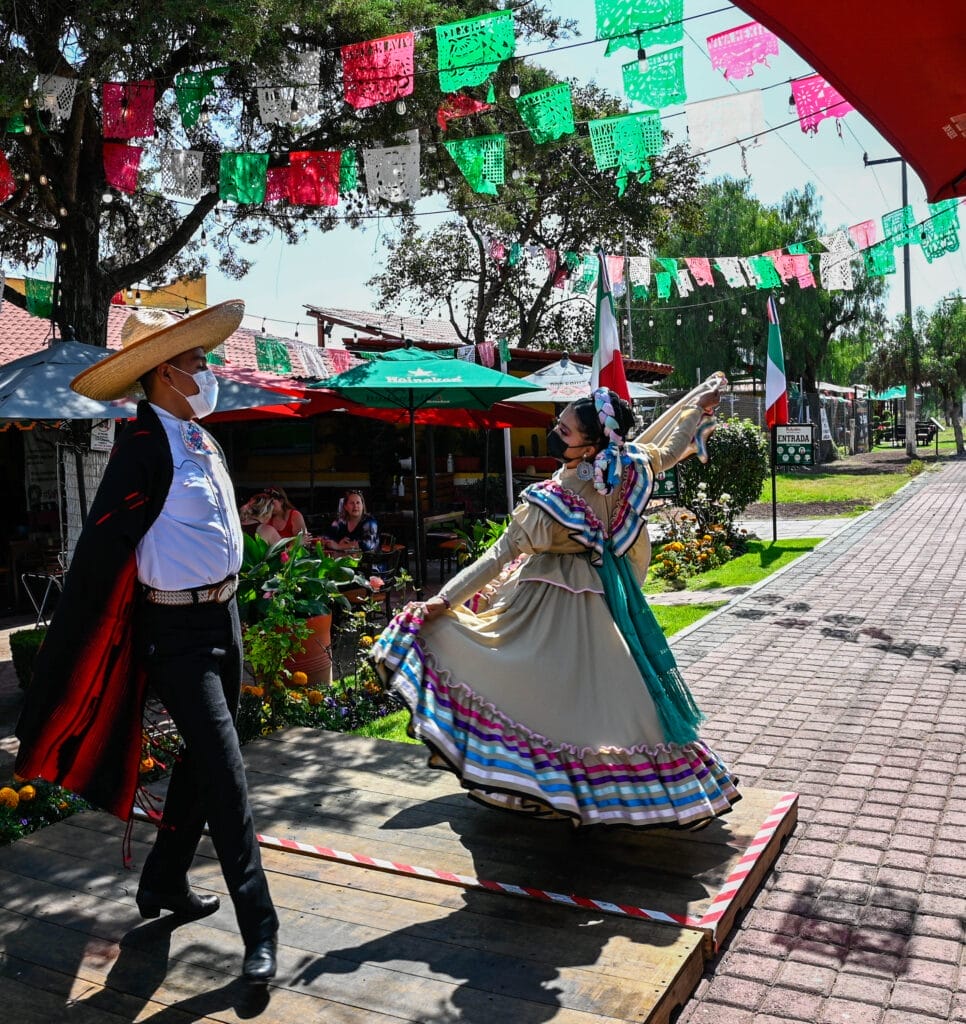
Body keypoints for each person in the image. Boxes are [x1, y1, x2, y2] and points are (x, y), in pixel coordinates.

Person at [14, 302, 279, 983]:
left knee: (201, 763)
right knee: (226, 775)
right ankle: (261, 927)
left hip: (224, 624)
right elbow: (102, 553)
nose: (208, 370)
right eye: (197, 362)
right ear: (165, 373)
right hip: (175, 633)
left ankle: (163, 882)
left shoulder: (204, 439)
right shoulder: (138, 450)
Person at [371, 375, 740, 830]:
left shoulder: (554, 500)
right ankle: (593, 793)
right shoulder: (629, 465)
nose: (554, 433)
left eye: (563, 430)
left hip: (547, 608)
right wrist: (698, 409)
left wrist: (442, 601)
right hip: (605, 604)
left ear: (589, 446)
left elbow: (497, 556)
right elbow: (669, 448)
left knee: (535, 690)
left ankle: (542, 788)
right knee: (606, 702)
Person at [322, 489, 379, 555]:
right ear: (345, 507)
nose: (355, 506)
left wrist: (339, 546)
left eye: (358, 503)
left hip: (369, 562)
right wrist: (337, 542)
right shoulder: (340, 522)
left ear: (362, 506)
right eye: (352, 503)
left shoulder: (370, 522)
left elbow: (367, 544)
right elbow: (326, 538)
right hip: (346, 561)